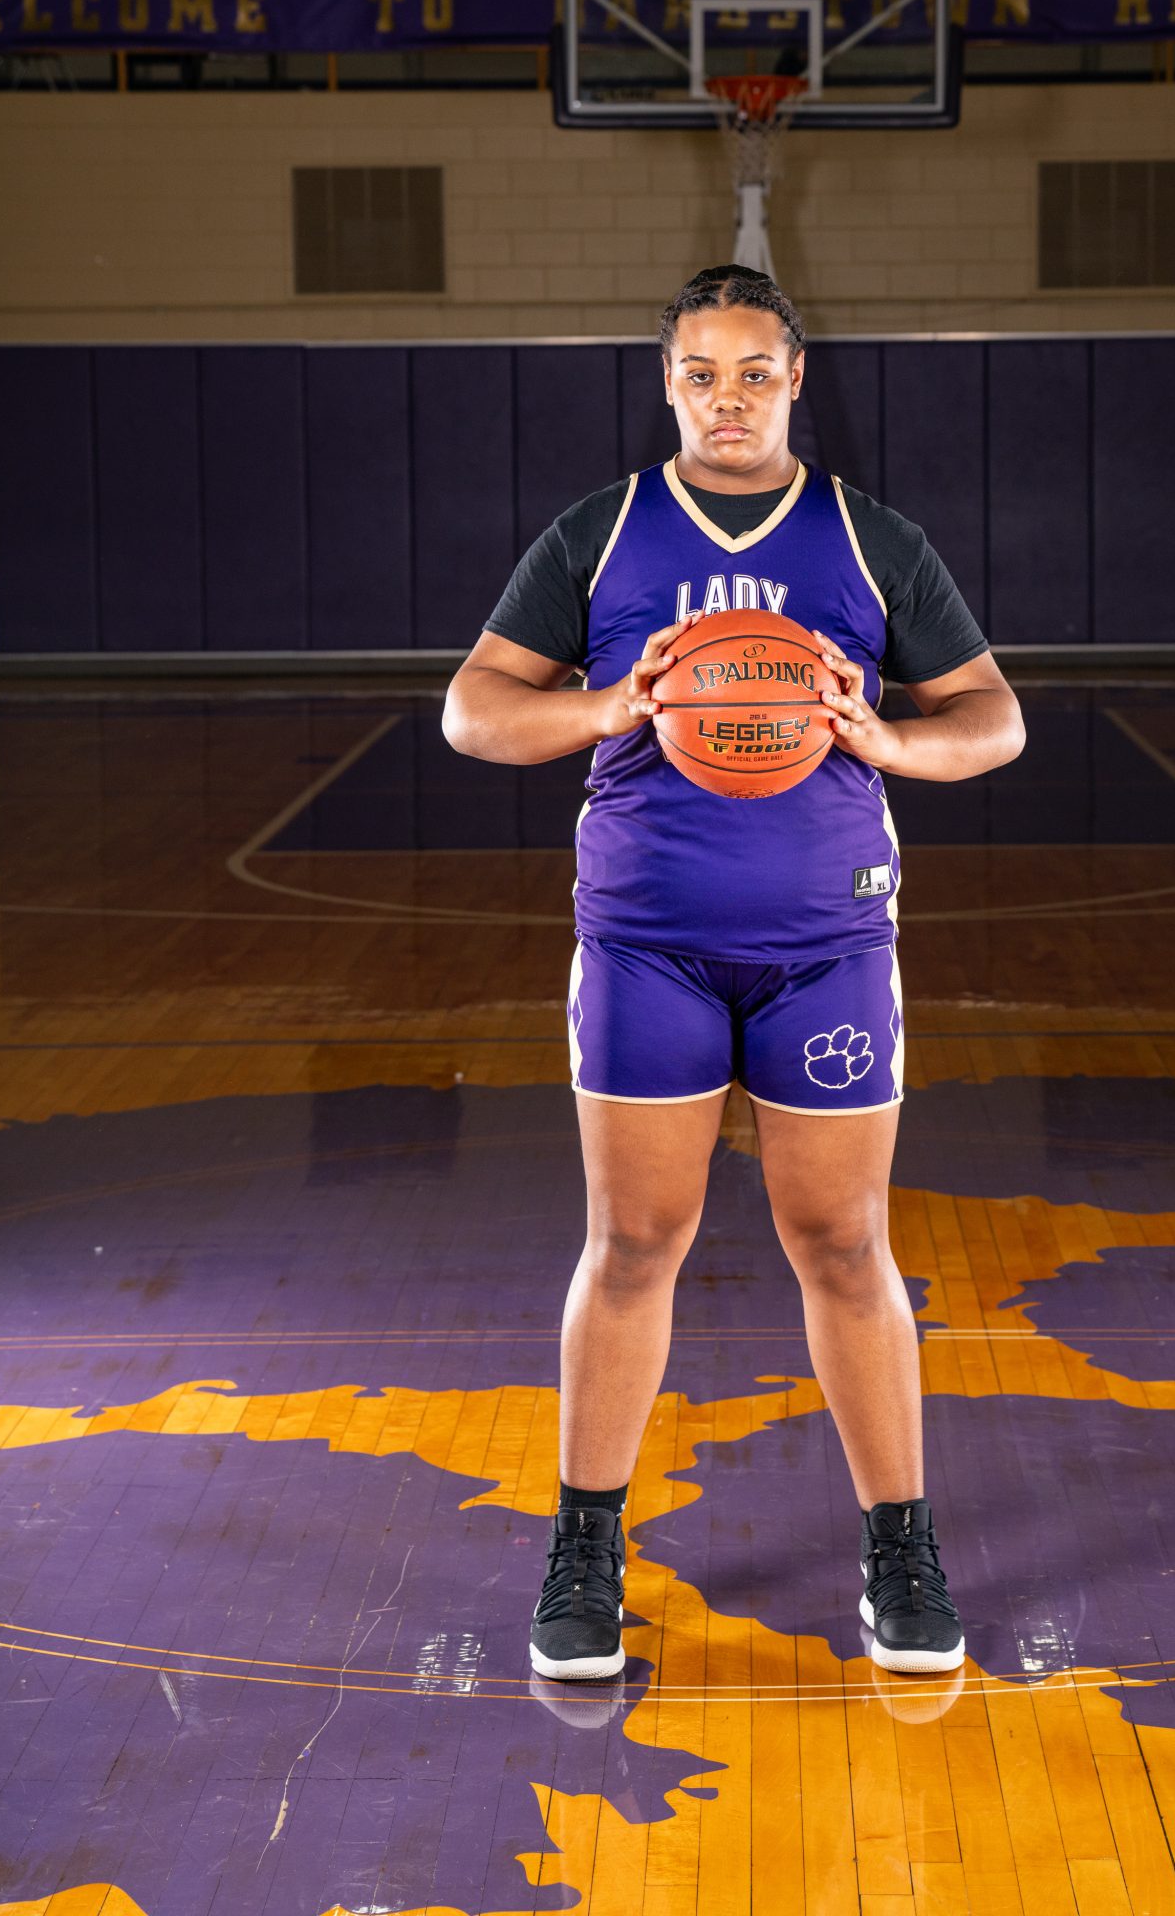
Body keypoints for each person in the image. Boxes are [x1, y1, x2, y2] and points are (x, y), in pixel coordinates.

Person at [443, 265, 1025, 1681]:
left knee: (845, 1245)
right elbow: (474, 711)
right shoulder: (599, 534)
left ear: (795, 380)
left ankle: (900, 1549)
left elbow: (993, 717)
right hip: (647, 941)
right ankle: (585, 1549)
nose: (727, 399)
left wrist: (887, 740)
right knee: (634, 1245)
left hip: (827, 946)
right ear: (666, 384)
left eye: (754, 372)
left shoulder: (870, 538)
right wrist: (612, 704)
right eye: (700, 374)